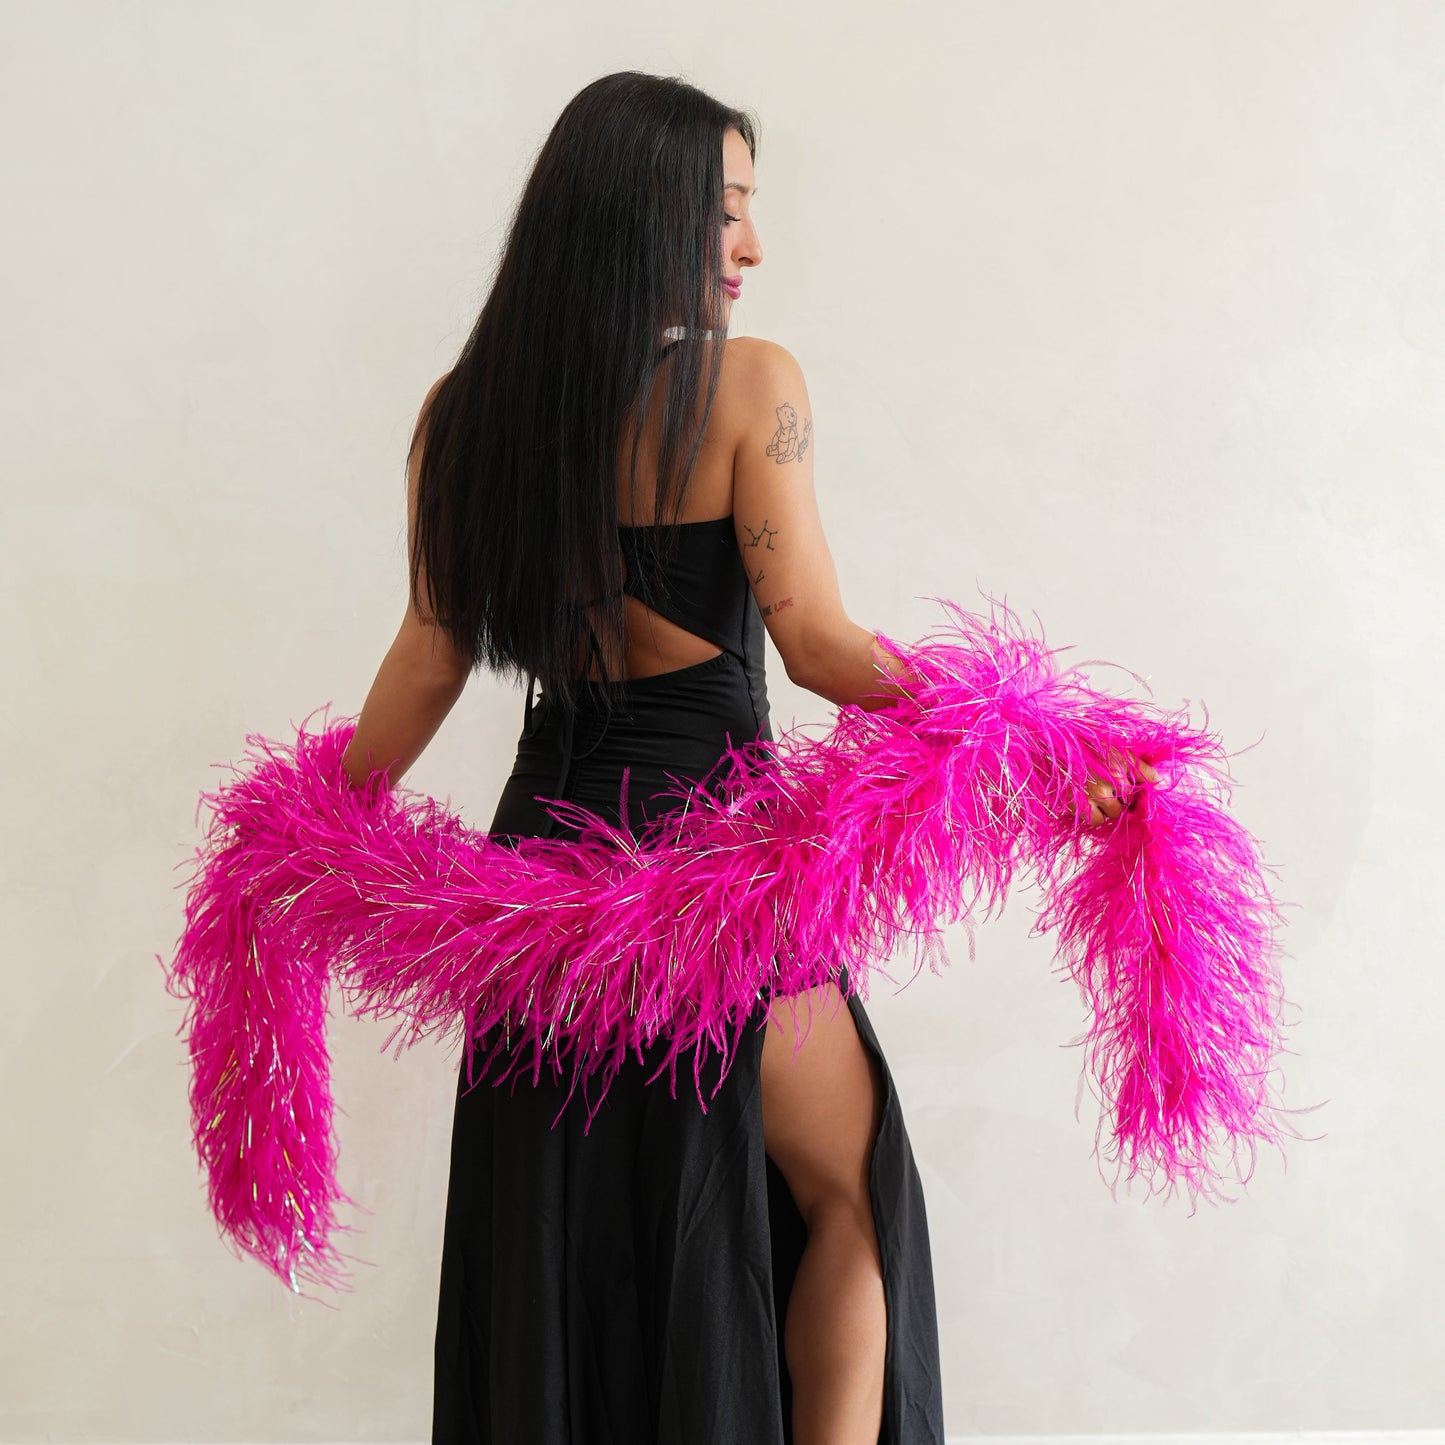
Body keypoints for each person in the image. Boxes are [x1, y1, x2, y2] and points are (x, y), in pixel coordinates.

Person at [338, 70, 1147, 1445]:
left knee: (568, 1239)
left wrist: (313, 834)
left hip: (534, 894)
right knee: (845, 1194)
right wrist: (1030, 737)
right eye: (727, 210)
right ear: (641, 214)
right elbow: (817, 644)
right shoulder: (748, 386)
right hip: (716, 877)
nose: (750, 247)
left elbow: (428, 655)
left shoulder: (459, 418)